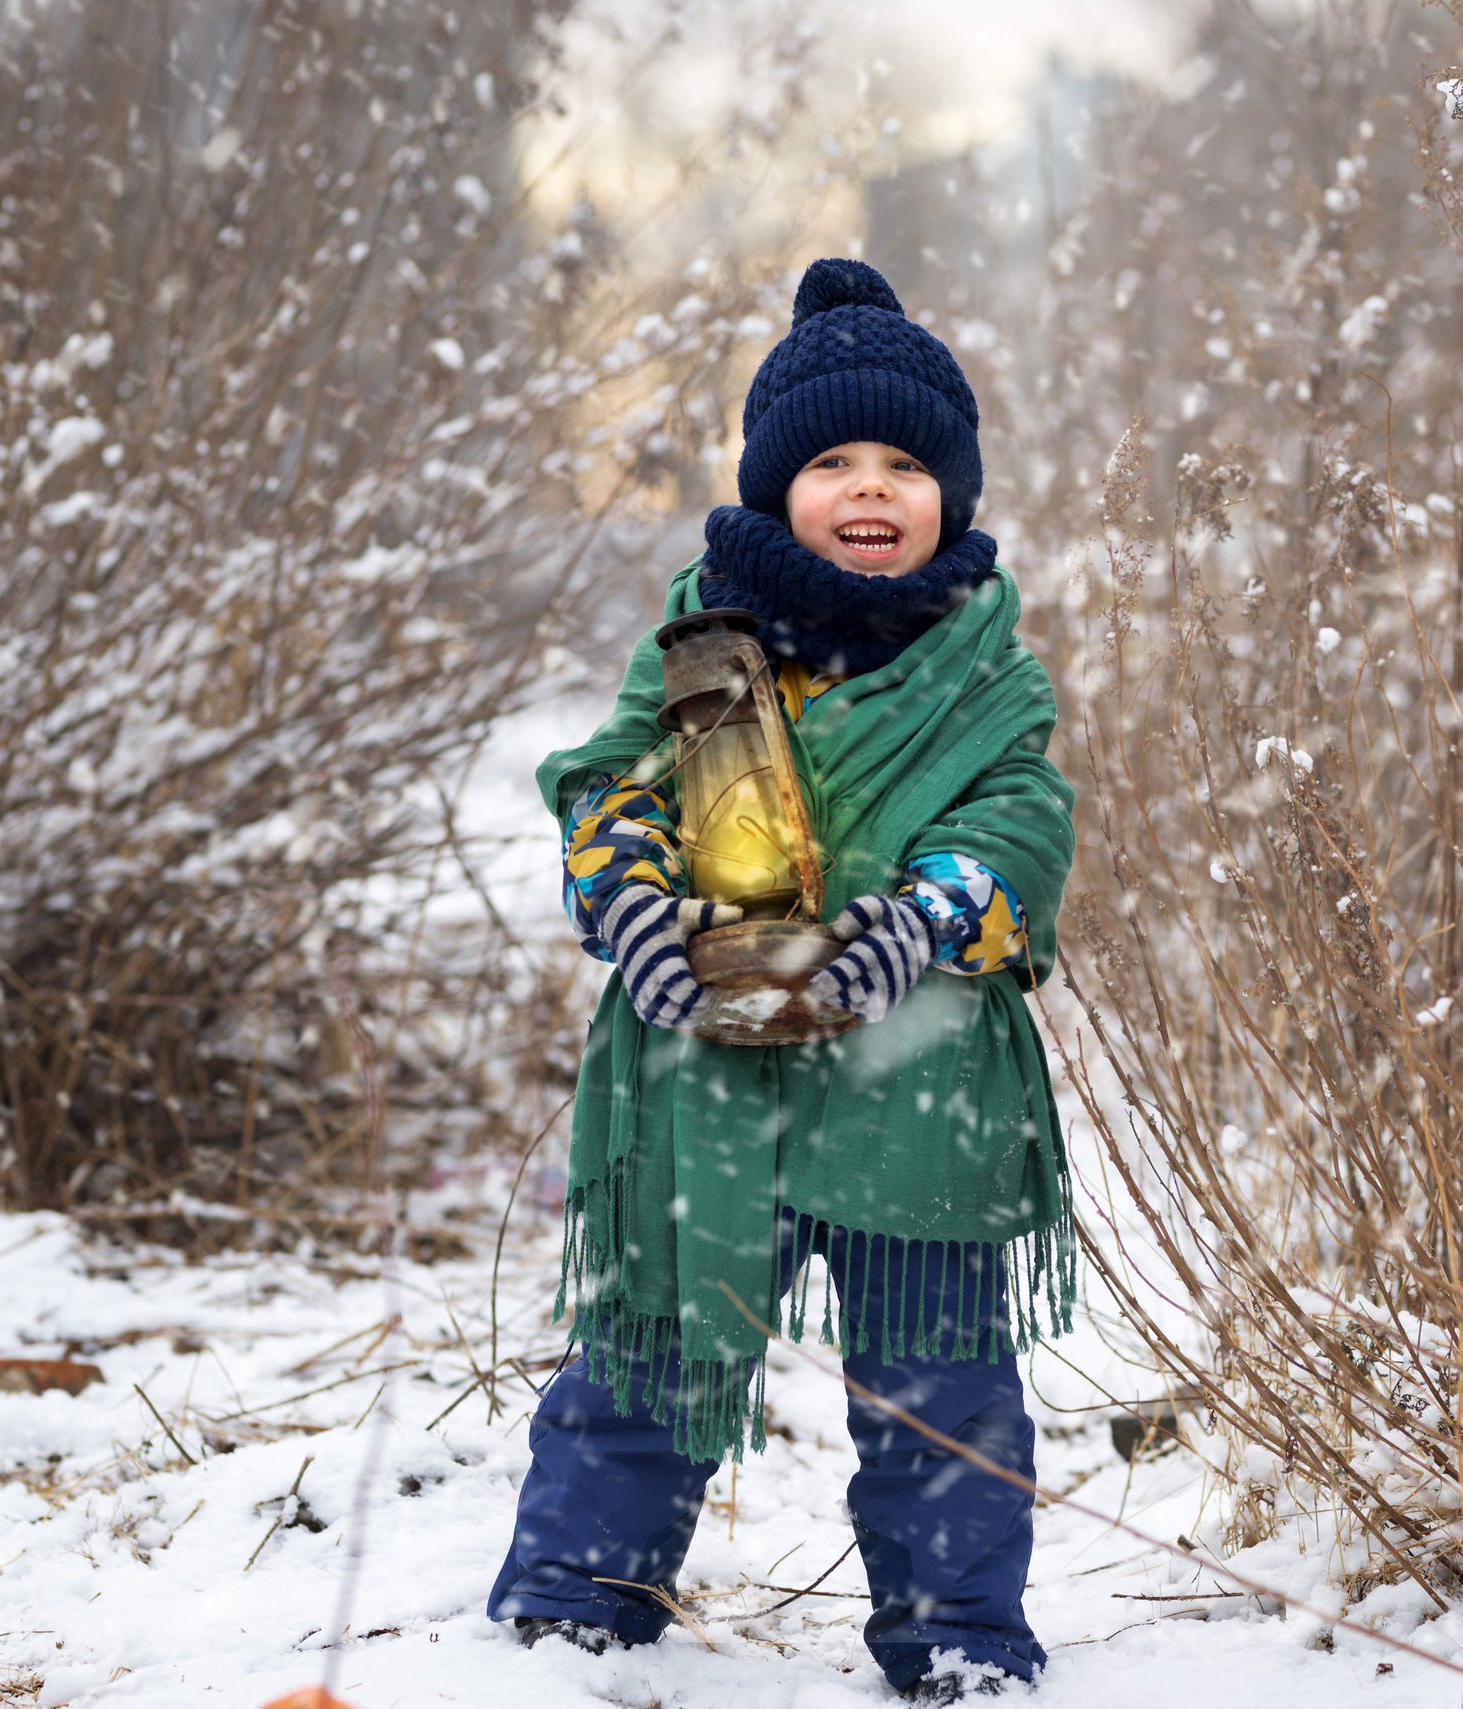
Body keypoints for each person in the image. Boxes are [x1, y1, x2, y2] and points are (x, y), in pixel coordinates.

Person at [486, 257, 1077, 1703]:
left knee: (941, 1385)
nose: (870, 488)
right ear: (773, 487)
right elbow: (609, 786)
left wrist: (925, 919)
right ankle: (577, 1604)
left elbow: (1020, 819)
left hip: (914, 1078)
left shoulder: (984, 668)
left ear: (953, 490)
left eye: (904, 464)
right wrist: (628, 906)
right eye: (830, 461)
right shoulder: (704, 642)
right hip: (704, 1082)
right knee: (646, 1351)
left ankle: (959, 1634)